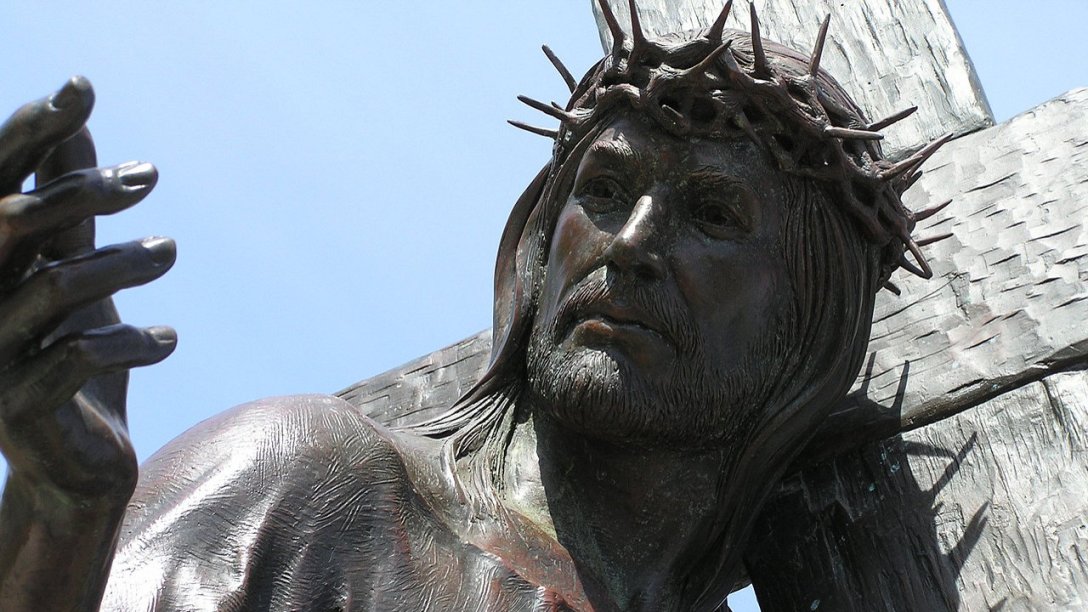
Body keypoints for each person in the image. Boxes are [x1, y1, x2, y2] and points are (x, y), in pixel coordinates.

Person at [0, 3, 945, 610]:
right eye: (605, 192)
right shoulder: (314, 489)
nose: (630, 244)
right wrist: (60, 528)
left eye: (712, 213)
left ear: (814, 325)